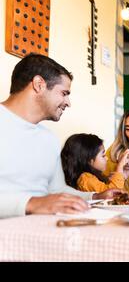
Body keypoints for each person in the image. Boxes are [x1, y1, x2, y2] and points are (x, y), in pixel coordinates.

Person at [0, 54, 120, 218]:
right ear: (39, 85)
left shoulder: (49, 139)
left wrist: (96, 197)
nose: (68, 102)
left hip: (45, 230)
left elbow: (57, 191)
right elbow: (40, 201)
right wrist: (31, 203)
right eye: (64, 93)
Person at [61, 133, 129, 193]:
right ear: (89, 160)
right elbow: (111, 194)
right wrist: (120, 167)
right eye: (103, 155)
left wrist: (123, 175)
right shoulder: (85, 178)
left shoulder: (93, 177)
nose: (107, 158)